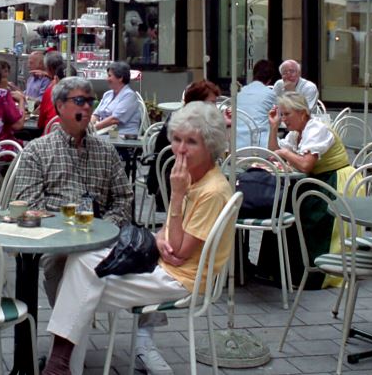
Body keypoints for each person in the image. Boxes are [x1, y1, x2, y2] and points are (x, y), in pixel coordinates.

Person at [40, 101, 231, 375]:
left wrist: (176, 197)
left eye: (192, 142)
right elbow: (170, 234)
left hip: (182, 279)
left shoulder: (210, 190)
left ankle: (60, 366)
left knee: (77, 285)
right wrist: (163, 237)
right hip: (167, 266)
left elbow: (180, 250)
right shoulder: (196, 177)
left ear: (210, 145)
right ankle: (62, 365)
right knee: (80, 264)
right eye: (176, 139)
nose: (180, 149)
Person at [12, 77, 134, 309]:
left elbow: (123, 197)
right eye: (79, 101)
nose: (87, 107)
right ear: (60, 106)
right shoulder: (38, 150)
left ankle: (144, 335)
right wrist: (69, 228)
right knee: (59, 263)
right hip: (59, 239)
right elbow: (30, 203)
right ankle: (68, 333)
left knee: (143, 251)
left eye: (90, 101)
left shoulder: (106, 150)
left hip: (105, 233)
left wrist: (107, 226)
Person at [267, 92, 356, 289]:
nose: (283, 119)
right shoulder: (296, 133)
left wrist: (286, 154)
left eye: (286, 114)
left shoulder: (316, 129)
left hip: (335, 182)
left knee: (305, 213)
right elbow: (274, 153)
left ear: (302, 112)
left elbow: (306, 165)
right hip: (316, 181)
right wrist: (273, 128)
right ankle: (282, 269)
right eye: (281, 115)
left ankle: (314, 273)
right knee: (284, 204)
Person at [146, 80, 222, 212]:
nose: (216, 108)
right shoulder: (184, 125)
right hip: (168, 181)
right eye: (212, 103)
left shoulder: (198, 122)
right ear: (198, 103)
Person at [236, 59, 278, 149]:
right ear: (270, 79)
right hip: (261, 146)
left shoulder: (241, 92)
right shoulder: (270, 94)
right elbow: (277, 118)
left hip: (237, 144)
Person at [93, 61, 142, 136]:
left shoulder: (129, 96)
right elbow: (96, 115)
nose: (107, 79)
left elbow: (114, 119)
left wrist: (92, 129)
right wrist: (86, 127)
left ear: (120, 78)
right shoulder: (107, 94)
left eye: (110, 76)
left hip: (122, 137)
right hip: (104, 134)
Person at [37, 51, 67, 128]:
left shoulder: (51, 89)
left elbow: (40, 124)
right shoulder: (76, 89)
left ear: (49, 69)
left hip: (50, 132)